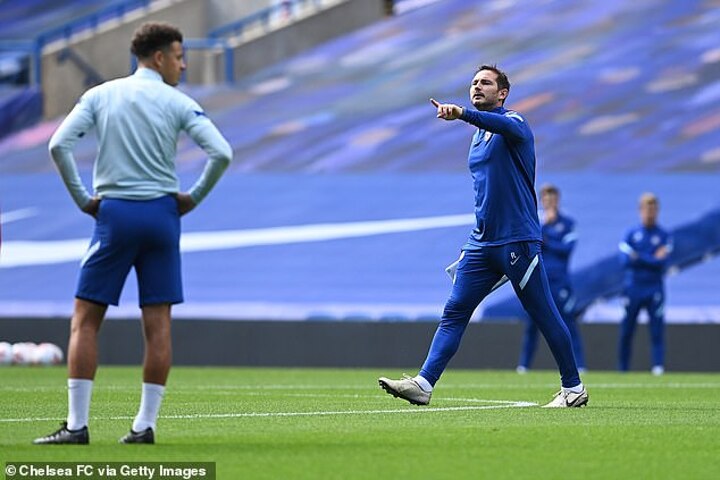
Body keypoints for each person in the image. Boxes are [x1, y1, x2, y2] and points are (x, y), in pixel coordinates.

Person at [33, 22, 233, 445]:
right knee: (158, 325)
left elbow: (58, 145)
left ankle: (76, 426)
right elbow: (221, 152)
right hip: (162, 216)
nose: (183, 65)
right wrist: (193, 197)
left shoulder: (101, 95)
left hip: (116, 214)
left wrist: (82, 199)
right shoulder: (179, 102)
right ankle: (144, 426)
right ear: (159, 58)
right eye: (179, 56)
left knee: (86, 320)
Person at [378, 65, 588, 408]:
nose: (477, 86)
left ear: (502, 93)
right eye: (474, 82)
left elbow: (502, 125)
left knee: (544, 313)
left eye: (485, 83)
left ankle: (573, 388)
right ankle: (423, 384)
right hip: (481, 243)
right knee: (454, 311)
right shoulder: (477, 137)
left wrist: (462, 114)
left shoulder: (515, 122)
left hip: (516, 241)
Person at [517, 184, 586, 373]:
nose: (550, 202)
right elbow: (528, 247)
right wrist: (543, 232)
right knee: (532, 324)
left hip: (560, 282)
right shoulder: (535, 224)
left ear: (558, 200)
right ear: (542, 201)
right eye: (546, 199)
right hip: (539, 280)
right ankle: (523, 366)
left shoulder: (568, 224)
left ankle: (579, 365)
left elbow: (567, 250)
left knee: (568, 323)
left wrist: (546, 239)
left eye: (552, 198)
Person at [618, 193, 671, 375]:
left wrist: (638, 256)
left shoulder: (663, 235)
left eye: (653, 209)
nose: (650, 213)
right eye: (647, 209)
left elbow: (662, 263)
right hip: (632, 288)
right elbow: (624, 261)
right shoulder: (631, 234)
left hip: (654, 288)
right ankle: (623, 370)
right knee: (627, 331)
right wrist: (651, 257)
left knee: (656, 330)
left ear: (658, 211)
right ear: (640, 210)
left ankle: (658, 368)